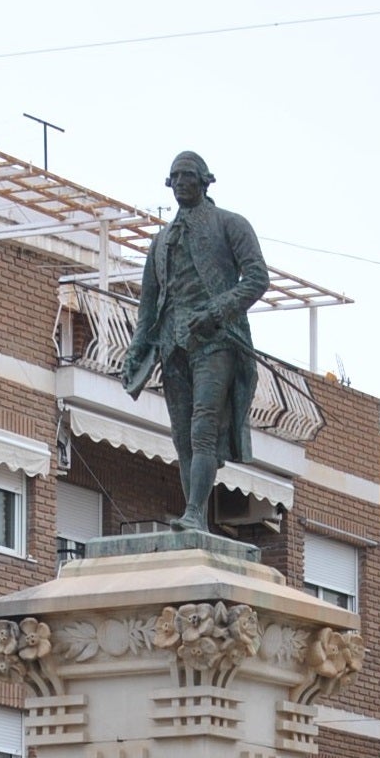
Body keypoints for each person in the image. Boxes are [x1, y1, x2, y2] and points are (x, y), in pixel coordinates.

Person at [122, 151, 269, 531]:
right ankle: (196, 517)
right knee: (182, 436)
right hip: (172, 346)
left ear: (205, 180)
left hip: (216, 342)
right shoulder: (160, 242)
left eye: (188, 175)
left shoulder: (230, 224)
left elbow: (257, 278)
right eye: (175, 176)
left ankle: (194, 513)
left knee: (204, 427)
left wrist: (216, 311)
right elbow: (148, 306)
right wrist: (136, 350)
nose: (181, 182)